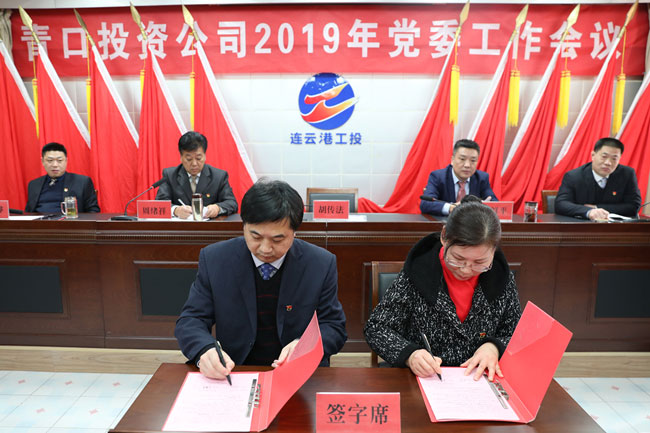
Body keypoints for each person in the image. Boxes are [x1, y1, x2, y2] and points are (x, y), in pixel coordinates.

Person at [175, 179, 347, 379]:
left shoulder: (320, 263)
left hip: (298, 374)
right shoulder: (215, 259)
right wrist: (204, 350)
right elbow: (191, 319)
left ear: (295, 232)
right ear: (244, 226)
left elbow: (333, 326)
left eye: (278, 239)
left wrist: (305, 345)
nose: (265, 249)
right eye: (256, 237)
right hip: (234, 372)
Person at [364, 197, 521, 381]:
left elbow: (518, 334)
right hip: (426, 380)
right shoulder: (418, 272)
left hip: (480, 381)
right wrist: (410, 355)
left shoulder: (500, 276)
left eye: (479, 262)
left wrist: (494, 347)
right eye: (458, 259)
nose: (466, 270)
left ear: (494, 250)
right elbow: (377, 328)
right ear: (444, 236)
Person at [156, 131, 238, 218]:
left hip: (209, 225)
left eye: (198, 158)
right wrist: (175, 210)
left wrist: (217, 208)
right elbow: (159, 204)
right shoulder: (170, 175)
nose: (194, 164)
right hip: (180, 226)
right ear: (181, 157)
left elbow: (232, 203)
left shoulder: (219, 176)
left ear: (205, 156)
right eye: (189, 159)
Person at [555, 137, 642, 220]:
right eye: (604, 157)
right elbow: (561, 204)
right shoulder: (574, 176)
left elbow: (634, 205)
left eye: (614, 159)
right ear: (593, 155)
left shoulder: (627, 174)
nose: (608, 163)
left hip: (616, 227)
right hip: (582, 226)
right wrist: (588, 212)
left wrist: (597, 208)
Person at [420, 139, 498, 216]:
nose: (467, 165)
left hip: (473, 223)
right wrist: (452, 208)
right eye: (462, 159)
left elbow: (495, 203)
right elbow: (425, 204)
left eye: (473, 160)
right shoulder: (438, 177)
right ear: (452, 160)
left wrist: (485, 205)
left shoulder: (482, 178)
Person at [25, 142, 100, 213]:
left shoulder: (82, 182)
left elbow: (93, 211)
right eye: (50, 160)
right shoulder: (34, 184)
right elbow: (28, 212)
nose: (55, 165)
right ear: (42, 161)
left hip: (68, 221)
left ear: (66, 161)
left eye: (59, 160)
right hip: (39, 222)